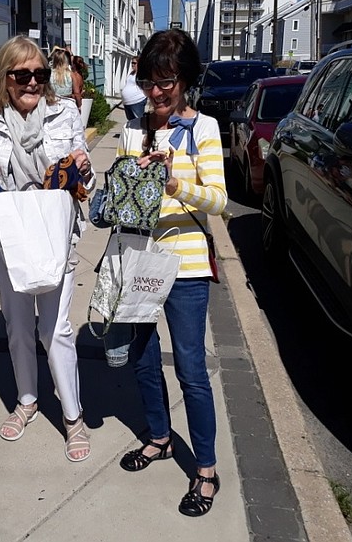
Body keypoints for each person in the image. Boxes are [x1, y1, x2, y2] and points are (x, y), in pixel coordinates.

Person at [0, 35, 96, 462]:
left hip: (56, 237)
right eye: (22, 75)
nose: (32, 83)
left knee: (54, 329)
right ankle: (27, 399)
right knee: (19, 327)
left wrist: (84, 170)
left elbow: (86, 186)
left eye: (39, 74)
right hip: (10, 240)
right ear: (5, 78)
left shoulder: (65, 114)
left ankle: (73, 416)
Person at [115, 29, 227, 517]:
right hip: (139, 256)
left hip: (185, 263)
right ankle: (159, 438)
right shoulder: (132, 127)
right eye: (148, 81)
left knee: (190, 368)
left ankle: (205, 470)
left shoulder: (204, 129)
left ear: (184, 81)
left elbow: (219, 202)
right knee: (142, 358)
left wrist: (175, 181)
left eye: (166, 82)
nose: (156, 92)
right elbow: (124, 199)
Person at [120, 55, 147, 121]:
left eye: (134, 63)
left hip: (137, 101)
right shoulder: (131, 73)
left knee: (139, 122)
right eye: (132, 63)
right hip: (128, 103)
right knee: (131, 123)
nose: (132, 65)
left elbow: (146, 86)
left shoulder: (142, 74)